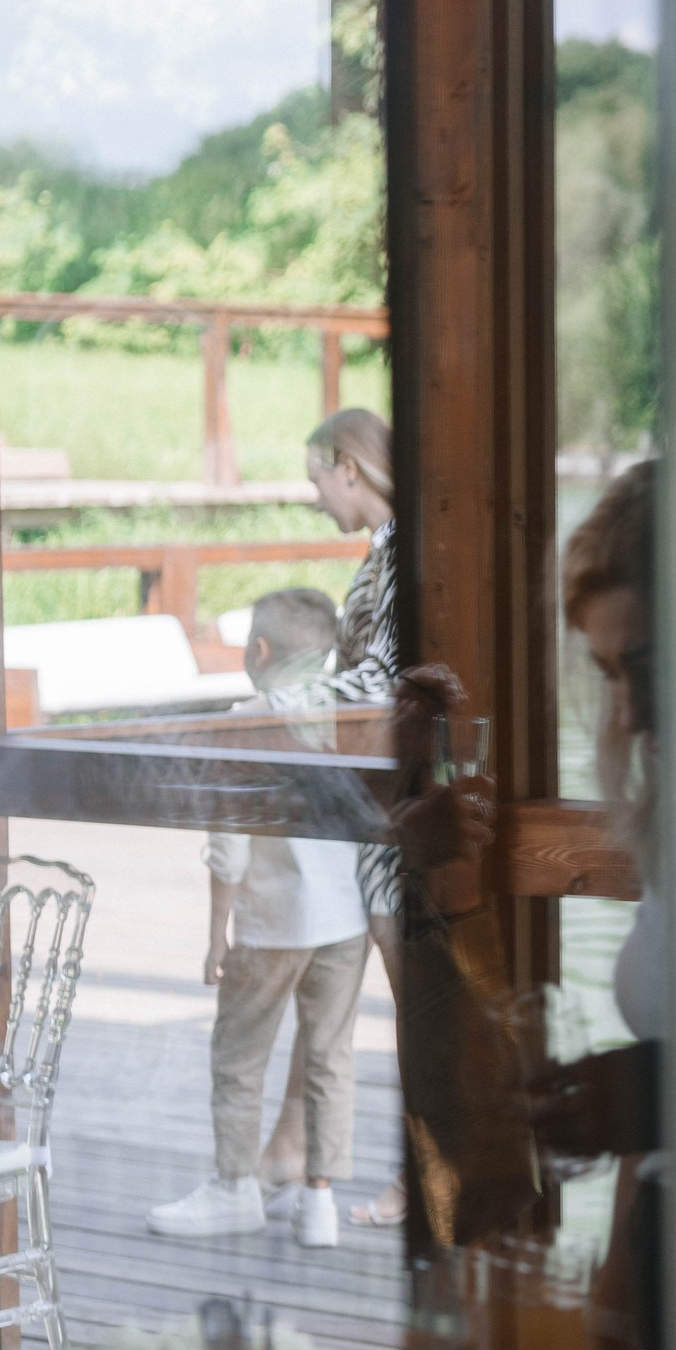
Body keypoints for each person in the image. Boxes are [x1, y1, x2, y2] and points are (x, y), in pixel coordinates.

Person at [148, 589, 372, 1248]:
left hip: (274, 921)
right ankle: (319, 1204)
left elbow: (231, 843)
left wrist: (217, 931)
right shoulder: (346, 712)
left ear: (260, 650)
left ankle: (233, 1187)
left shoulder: (249, 720)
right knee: (330, 1056)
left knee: (241, 1057)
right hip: (345, 917)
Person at [258, 407, 412, 1230]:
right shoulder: (385, 555)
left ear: (348, 466)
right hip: (369, 807)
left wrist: (286, 699)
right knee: (336, 982)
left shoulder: (403, 554)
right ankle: (292, 1145)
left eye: (318, 477)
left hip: (392, 813)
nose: (315, 495)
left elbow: (384, 676)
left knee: (407, 999)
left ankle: (421, 1175)